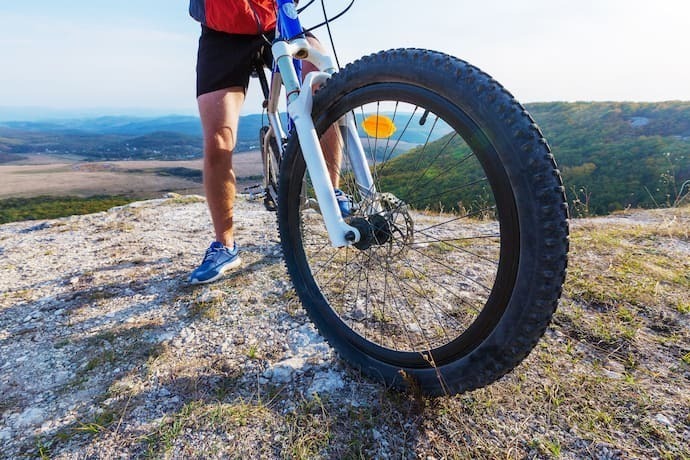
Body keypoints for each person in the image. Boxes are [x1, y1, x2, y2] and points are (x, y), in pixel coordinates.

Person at [188, 0, 346, 285]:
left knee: (324, 87)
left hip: (279, 20)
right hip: (221, 28)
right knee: (218, 139)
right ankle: (224, 245)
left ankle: (332, 193)